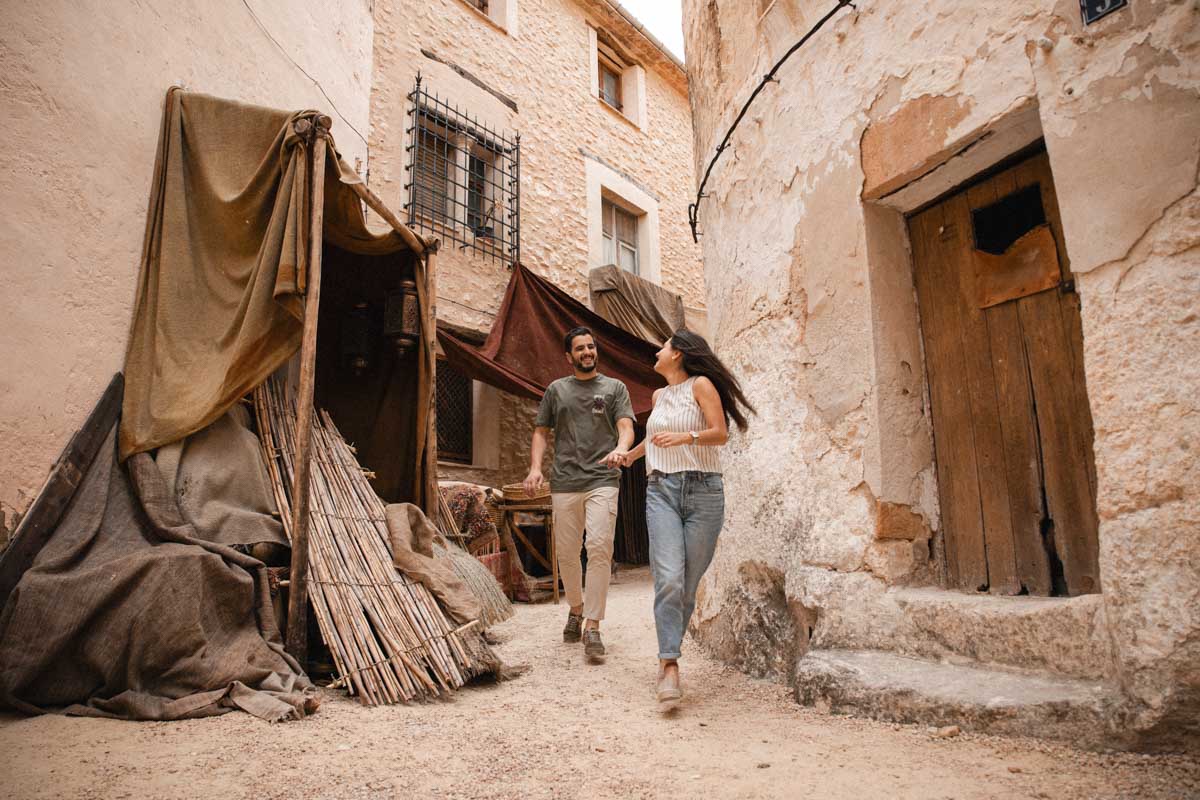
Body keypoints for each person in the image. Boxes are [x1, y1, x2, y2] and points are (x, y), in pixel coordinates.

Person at [622, 329, 755, 706]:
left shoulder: (702, 385)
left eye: (663, 346)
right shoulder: (659, 395)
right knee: (668, 579)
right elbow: (656, 438)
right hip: (661, 490)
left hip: (704, 493)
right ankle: (670, 665)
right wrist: (629, 457)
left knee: (687, 583)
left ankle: (668, 651)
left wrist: (686, 439)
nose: (657, 351)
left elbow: (719, 434)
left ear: (678, 353)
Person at [524, 326, 635, 661]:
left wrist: (621, 448)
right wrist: (534, 468)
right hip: (565, 482)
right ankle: (576, 607)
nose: (587, 352)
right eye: (580, 348)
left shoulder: (615, 388)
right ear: (568, 356)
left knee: (599, 547)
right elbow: (541, 432)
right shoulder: (557, 390)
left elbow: (626, 426)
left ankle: (593, 626)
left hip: (603, 477)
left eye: (591, 347)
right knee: (568, 553)